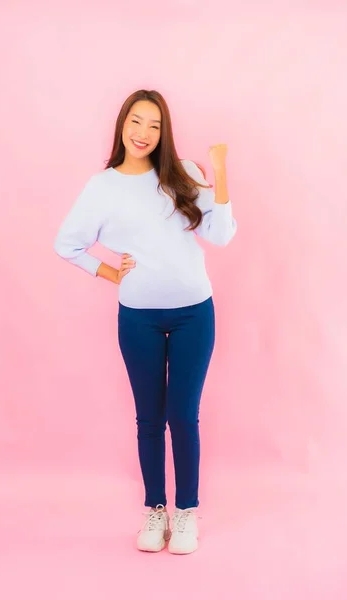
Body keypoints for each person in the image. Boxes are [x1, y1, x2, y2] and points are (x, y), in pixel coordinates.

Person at [54, 89, 237, 555]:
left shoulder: (184, 174)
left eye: (154, 125)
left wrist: (217, 171)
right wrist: (111, 271)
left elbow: (221, 233)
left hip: (195, 312)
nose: (143, 133)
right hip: (139, 318)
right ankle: (155, 511)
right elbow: (68, 244)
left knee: (184, 415)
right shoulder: (103, 186)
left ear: (164, 132)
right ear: (122, 124)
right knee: (149, 419)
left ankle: (187, 513)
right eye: (136, 122)